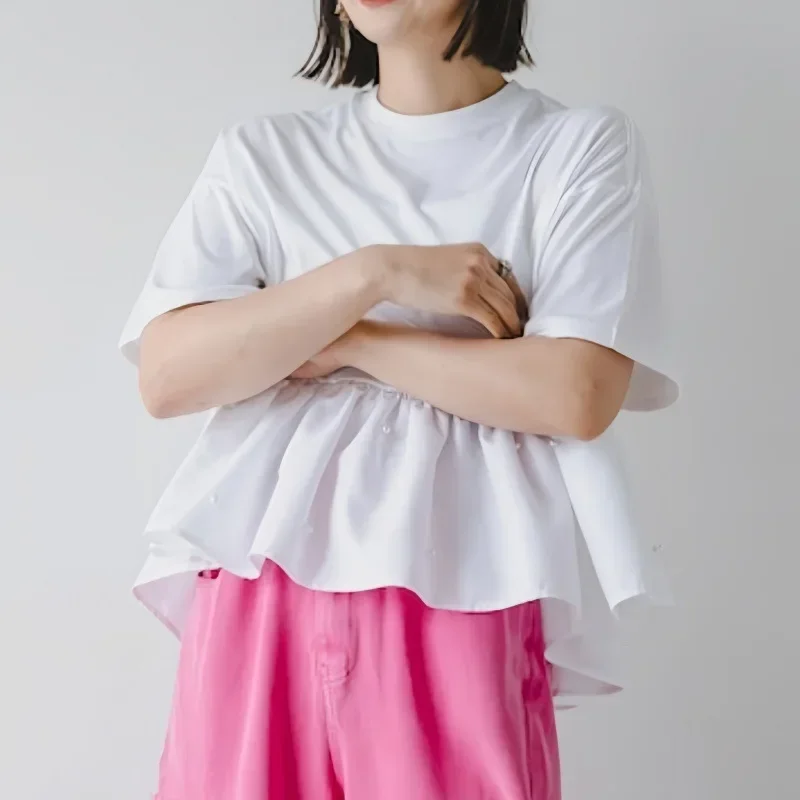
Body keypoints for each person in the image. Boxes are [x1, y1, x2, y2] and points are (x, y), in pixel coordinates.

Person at [120, 1, 678, 797]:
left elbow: (575, 392)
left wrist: (349, 342)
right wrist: (376, 274)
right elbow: (169, 373)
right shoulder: (264, 157)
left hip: (463, 579)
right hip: (258, 586)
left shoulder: (572, 148)